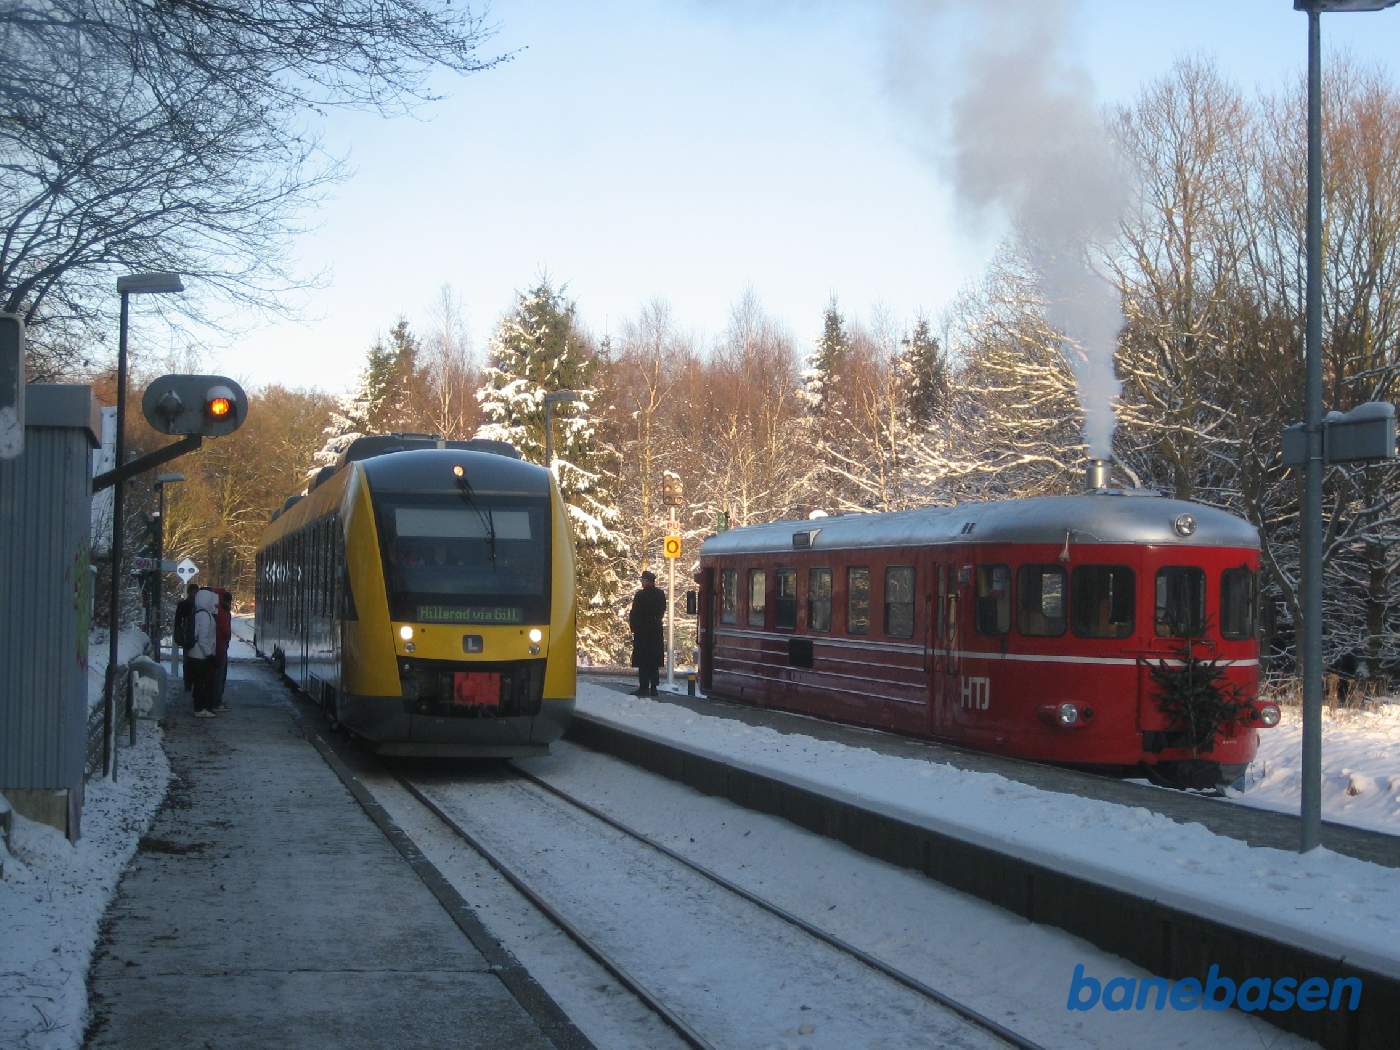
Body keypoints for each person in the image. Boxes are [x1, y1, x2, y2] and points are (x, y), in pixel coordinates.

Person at [628, 569, 666, 697]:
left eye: (643, 580)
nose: (642, 582)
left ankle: (643, 686)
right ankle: (654, 687)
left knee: (643, 661)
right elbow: (661, 611)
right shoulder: (660, 594)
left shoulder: (640, 595)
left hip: (643, 632)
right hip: (655, 631)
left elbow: (634, 613)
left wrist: (634, 627)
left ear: (648, 581)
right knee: (653, 661)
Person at [188, 587, 220, 718]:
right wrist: (210, 654)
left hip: (194, 654)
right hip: (200, 655)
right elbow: (203, 638)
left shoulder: (198, 613)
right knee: (202, 683)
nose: (215, 604)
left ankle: (199, 707)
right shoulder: (205, 616)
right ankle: (200, 708)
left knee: (198, 683)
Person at [172, 583, 199, 693]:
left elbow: (177, 622)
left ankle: (188, 683)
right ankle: (193, 683)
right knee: (195, 661)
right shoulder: (198, 605)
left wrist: (179, 636)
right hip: (194, 637)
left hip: (187, 638)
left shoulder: (182, 604)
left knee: (187, 661)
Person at [212, 589, 233, 711]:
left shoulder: (214, 608)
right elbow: (225, 630)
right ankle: (216, 702)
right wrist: (228, 636)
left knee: (215, 676)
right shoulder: (223, 611)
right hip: (220, 647)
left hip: (215, 646)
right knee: (219, 676)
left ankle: (215, 701)